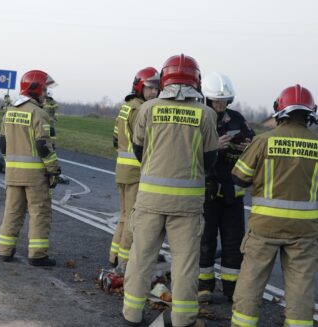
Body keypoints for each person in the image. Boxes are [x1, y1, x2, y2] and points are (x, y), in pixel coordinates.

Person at [122, 54, 218, 327]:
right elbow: (210, 159)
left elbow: (139, 150)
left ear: (165, 78)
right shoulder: (206, 114)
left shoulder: (148, 108)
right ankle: (183, 318)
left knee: (141, 257)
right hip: (187, 206)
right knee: (185, 264)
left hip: (150, 198)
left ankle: (131, 313)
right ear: (196, 81)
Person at [230, 85, 318, 327]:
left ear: (280, 110)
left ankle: (243, 323)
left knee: (251, 279)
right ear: (310, 113)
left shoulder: (263, 141)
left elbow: (238, 178)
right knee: (301, 284)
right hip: (305, 229)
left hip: (264, 226)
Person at [197, 72, 254, 304]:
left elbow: (253, 145)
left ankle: (231, 290)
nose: (220, 104)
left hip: (232, 195)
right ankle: (204, 288)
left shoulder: (238, 119)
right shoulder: (202, 118)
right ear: (207, 99)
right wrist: (212, 146)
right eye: (216, 100)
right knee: (206, 241)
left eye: (224, 100)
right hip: (208, 194)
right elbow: (189, 153)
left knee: (233, 244)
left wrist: (247, 148)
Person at [0, 70, 61, 267]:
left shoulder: (10, 111)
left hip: (13, 173)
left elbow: (2, 142)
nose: (46, 94)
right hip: (35, 176)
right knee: (39, 213)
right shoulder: (38, 113)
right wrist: (53, 169)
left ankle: (5, 251)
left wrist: (11, 164)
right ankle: (37, 254)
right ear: (36, 89)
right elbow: (44, 146)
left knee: (12, 212)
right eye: (44, 90)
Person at [108, 67, 160, 274]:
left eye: (157, 88)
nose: (155, 92)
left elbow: (115, 139)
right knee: (133, 219)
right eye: (150, 88)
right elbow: (147, 141)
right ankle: (125, 262)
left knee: (124, 216)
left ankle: (114, 256)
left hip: (122, 169)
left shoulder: (126, 107)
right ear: (140, 86)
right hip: (136, 171)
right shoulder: (141, 110)